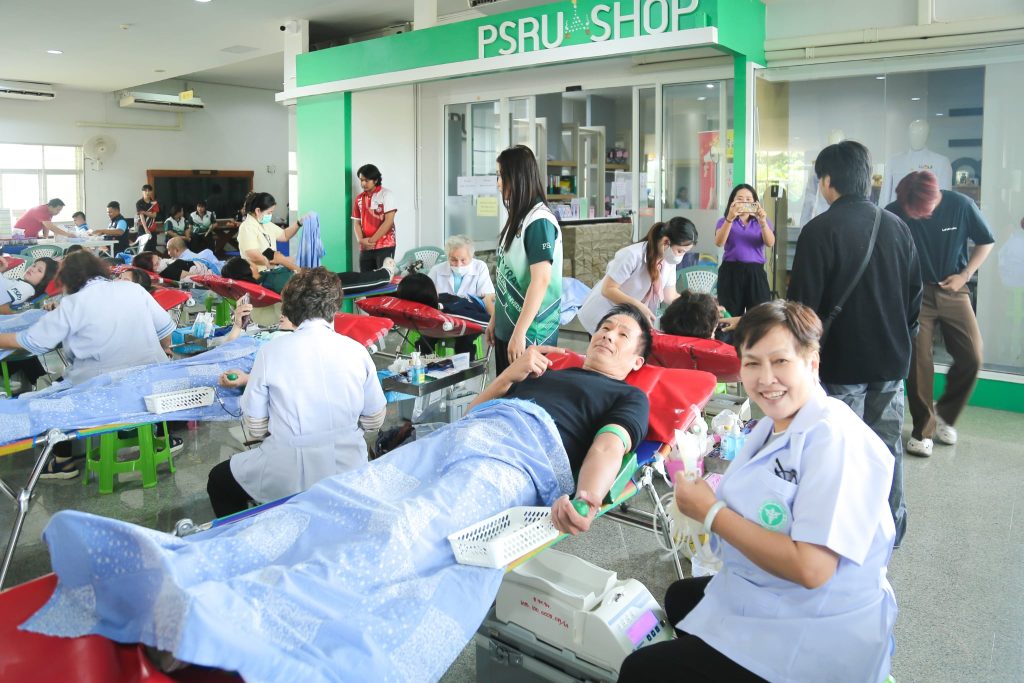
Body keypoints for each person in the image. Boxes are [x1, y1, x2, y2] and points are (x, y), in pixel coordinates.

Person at [619, 300, 897, 683]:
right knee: (680, 598)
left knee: (639, 670)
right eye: (752, 363)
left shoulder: (835, 440)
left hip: (820, 628)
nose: (766, 379)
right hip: (779, 591)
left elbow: (812, 569)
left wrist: (712, 513)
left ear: (812, 362)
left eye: (780, 361)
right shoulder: (772, 425)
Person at [788, 140, 922, 547]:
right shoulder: (898, 227)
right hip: (890, 363)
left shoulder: (819, 231)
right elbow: (914, 298)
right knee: (886, 447)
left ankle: (843, 535)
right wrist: (899, 341)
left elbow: (802, 309)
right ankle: (890, 531)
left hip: (841, 363)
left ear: (827, 181)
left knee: (841, 449)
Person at [208, 268, 388, 516]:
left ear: (289, 309)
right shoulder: (356, 351)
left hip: (288, 468)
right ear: (335, 305)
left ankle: (251, 534)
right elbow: (374, 420)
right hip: (349, 467)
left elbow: (256, 427)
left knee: (219, 481)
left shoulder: (271, 352)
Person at [470, 303, 651, 534]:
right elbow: (469, 416)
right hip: (472, 436)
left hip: (518, 459)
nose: (608, 335)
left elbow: (607, 447)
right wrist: (508, 375)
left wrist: (586, 500)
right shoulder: (541, 372)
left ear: (637, 361)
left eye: (623, 335)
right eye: (605, 328)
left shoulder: (630, 397)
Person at [0, 251, 179, 478]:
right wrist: (165, 349)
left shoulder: (73, 303)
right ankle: (162, 437)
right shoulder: (133, 289)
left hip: (104, 391)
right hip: (149, 384)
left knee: (50, 399)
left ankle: (63, 462)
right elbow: (165, 329)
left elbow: (30, 341)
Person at [887, 171, 995, 457]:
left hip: (953, 288)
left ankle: (946, 415)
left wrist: (965, 275)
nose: (917, 215)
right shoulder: (895, 210)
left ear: (935, 198)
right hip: (915, 293)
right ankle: (923, 430)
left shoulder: (961, 205)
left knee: (972, 356)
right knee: (918, 362)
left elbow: (986, 241)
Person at [488, 145, 563, 375]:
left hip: (530, 334)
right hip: (509, 327)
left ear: (518, 177)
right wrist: (495, 320)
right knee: (505, 393)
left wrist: (520, 332)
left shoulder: (539, 221)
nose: (498, 183)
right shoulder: (519, 217)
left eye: (502, 176)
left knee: (524, 395)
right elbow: (504, 274)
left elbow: (541, 281)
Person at [576, 217, 697, 333]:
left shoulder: (669, 261)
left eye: (684, 252)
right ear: (666, 242)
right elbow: (608, 289)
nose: (680, 256)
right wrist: (638, 306)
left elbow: (669, 296)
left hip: (625, 319)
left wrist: (694, 304)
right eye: (680, 251)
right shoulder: (632, 255)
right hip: (602, 313)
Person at [715, 184, 775, 316]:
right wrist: (730, 219)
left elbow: (770, 243)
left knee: (760, 315)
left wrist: (763, 222)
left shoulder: (763, 221)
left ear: (755, 202)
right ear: (732, 202)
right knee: (729, 314)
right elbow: (719, 242)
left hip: (756, 273)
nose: (744, 203)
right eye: (740, 199)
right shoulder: (723, 221)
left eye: (748, 199)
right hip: (730, 272)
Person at [395, 273, 489, 357]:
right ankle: (427, 363)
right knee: (424, 342)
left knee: (463, 343)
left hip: (472, 309)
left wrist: (490, 320)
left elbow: (485, 322)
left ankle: (467, 367)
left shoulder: (453, 313)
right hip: (443, 309)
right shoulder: (413, 310)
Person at [220, 255, 395, 296]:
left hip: (319, 280)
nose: (251, 262)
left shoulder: (264, 278)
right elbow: (301, 279)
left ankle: (377, 274)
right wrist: (286, 263)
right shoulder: (274, 281)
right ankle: (384, 276)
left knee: (351, 276)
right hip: (321, 287)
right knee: (355, 281)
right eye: (248, 262)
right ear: (248, 269)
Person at [237, 192, 303, 294]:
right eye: (269, 212)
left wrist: (299, 223)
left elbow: (284, 235)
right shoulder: (247, 227)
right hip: (259, 274)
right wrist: (277, 261)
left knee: (297, 276)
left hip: (272, 270)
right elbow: (252, 254)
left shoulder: (266, 224)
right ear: (258, 211)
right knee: (296, 283)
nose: (270, 215)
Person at [427, 235, 496, 318]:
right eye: (453, 260)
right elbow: (427, 297)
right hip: (443, 317)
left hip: (471, 317)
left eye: (463, 260)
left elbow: (487, 298)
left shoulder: (480, 267)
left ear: (471, 257)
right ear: (448, 257)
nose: (458, 264)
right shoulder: (436, 270)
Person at [351, 164, 398, 272]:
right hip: (365, 247)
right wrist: (361, 241)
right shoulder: (359, 198)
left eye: (366, 180)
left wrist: (371, 241)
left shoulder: (386, 195)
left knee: (384, 278)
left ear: (376, 180)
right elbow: (356, 223)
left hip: (385, 245)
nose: (363, 184)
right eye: (361, 180)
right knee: (365, 278)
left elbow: (388, 221)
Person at [133, 251, 211, 282]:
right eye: (156, 264)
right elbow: (197, 277)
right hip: (201, 270)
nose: (161, 262)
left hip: (199, 264)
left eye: (159, 258)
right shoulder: (168, 272)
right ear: (149, 269)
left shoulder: (166, 265)